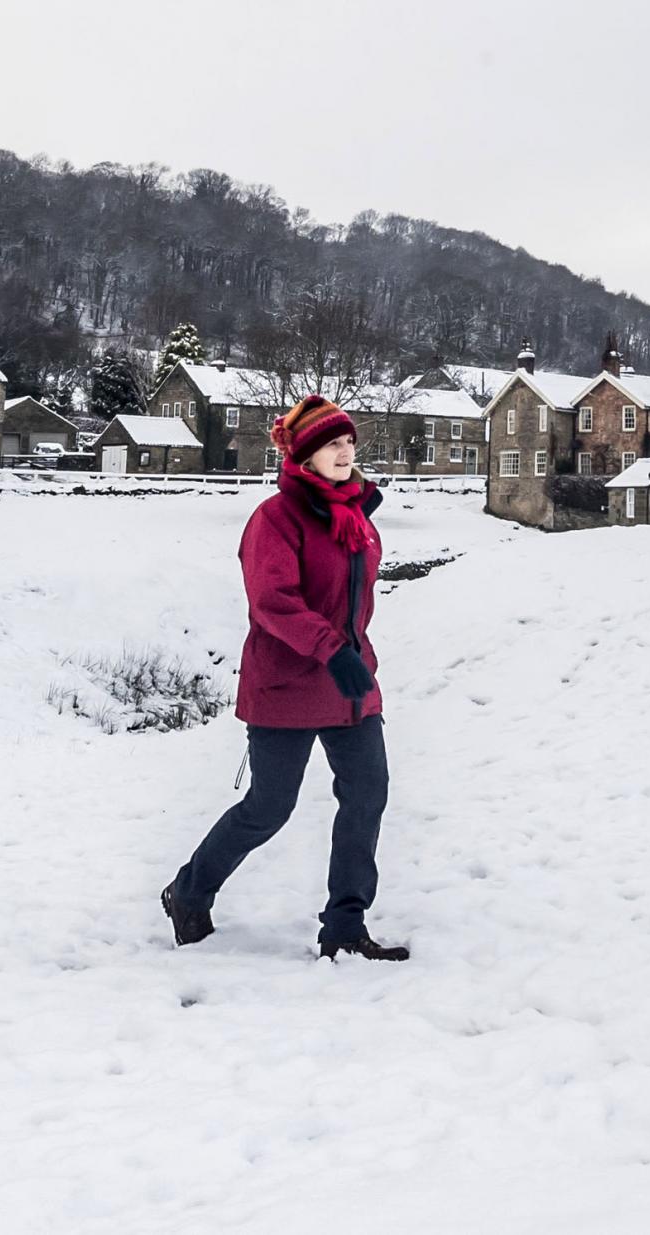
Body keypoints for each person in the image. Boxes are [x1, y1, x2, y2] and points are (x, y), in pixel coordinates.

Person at [161, 394, 409, 961]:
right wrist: (331, 650)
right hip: (287, 682)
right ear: (305, 455)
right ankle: (190, 891)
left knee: (367, 796)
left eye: (349, 443)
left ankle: (345, 926)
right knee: (269, 808)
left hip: (349, 686)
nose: (345, 453)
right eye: (332, 445)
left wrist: (354, 658)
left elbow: (354, 602)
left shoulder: (356, 518)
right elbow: (273, 602)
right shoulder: (273, 519)